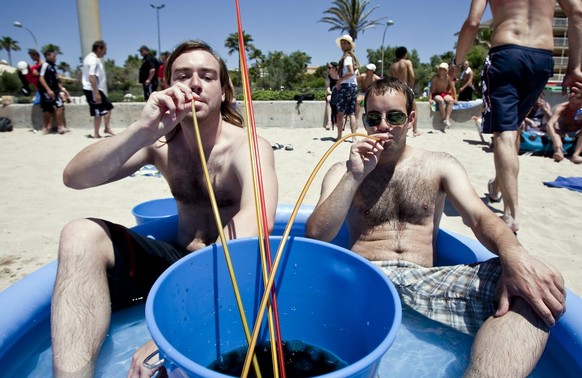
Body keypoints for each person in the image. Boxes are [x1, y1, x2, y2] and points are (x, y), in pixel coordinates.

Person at [305, 77, 566, 377]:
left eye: (395, 116)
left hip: (424, 281)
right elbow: (317, 236)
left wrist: (515, 255)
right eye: (374, 118)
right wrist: (355, 176)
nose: (383, 125)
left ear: (411, 118)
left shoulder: (439, 164)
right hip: (368, 279)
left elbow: (479, 217)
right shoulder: (343, 170)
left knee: (539, 284)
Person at [50, 40, 279, 377]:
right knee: (79, 233)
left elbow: (258, 217)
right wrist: (141, 131)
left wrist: (170, 330)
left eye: (208, 75)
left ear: (225, 90)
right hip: (173, 261)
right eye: (183, 75)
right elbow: (75, 178)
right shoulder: (159, 145)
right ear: (169, 87)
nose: (195, 83)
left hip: (232, 273)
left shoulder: (248, 146)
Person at [453, 0, 582, 233]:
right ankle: (496, 185)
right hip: (542, 59)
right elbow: (578, 12)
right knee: (513, 126)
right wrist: (575, 66)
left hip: (506, 54)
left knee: (504, 132)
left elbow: (472, 23)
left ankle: (511, 214)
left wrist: (457, 63)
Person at [82, 40, 115, 138]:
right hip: (92, 89)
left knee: (108, 107)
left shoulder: (90, 58)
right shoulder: (93, 60)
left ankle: (107, 128)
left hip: (95, 89)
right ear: (99, 48)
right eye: (104, 50)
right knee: (97, 111)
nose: (105, 53)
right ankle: (96, 133)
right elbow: (91, 76)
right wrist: (96, 93)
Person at [389, 46, 421, 136]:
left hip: (395, 88)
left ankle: (400, 130)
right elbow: (412, 75)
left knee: (398, 110)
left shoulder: (392, 66)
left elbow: (391, 79)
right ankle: (415, 131)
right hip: (405, 87)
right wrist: (412, 85)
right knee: (414, 108)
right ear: (405, 54)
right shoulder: (407, 62)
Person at [335, 34, 360, 143]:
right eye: (342, 43)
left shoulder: (347, 57)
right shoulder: (352, 56)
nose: (343, 45)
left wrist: (340, 80)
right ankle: (353, 137)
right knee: (352, 112)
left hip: (346, 86)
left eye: (345, 43)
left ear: (350, 45)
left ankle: (339, 136)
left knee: (340, 112)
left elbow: (350, 72)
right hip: (353, 86)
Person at [38, 50, 69, 135]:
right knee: (48, 111)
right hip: (47, 92)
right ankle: (45, 128)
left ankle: (60, 126)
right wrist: (48, 90)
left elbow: (56, 80)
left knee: (59, 106)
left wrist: (62, 89)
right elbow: (41, 78)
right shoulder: (45, 66)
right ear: (47, 56)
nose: (55, 58)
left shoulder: (53, 67)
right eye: (53, 56)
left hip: (55, 91)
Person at [546, 92, 582, 163]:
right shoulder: (561, 108)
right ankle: (558, 151)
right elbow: (549, 124)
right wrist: (555, 139)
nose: (575, 106)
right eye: (573, 103)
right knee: (554, 130)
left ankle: (575, 155)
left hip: (577, 133)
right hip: (562, 132)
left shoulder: (581, 110)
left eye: (579, 104)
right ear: (569, 101)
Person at [429, 62, 456, 128]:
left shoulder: (448, 78)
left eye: (443, 70)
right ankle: (444, 117)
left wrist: (455, 98)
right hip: (436, 94)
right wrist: (430, 98)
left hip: (444, 93)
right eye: (440, 69)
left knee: (451, 101)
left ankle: (447, 119)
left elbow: (453, 88)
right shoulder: (435, 77)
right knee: (440, 100)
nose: (441, 71)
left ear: (446, 71)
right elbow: (431, 88)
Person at [355, 63, 380, 131]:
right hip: (363, 93)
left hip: (372, 93)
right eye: (367, 69)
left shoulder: (376, 78)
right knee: (358, 100)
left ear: (372, 71)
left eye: (368, 69)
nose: (366, 70)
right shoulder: (363, 76)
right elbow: (354, 81)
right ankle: (356, 120)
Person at [324, 62, 339, 130]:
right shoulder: (328, 77)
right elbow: (328, 88)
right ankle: (329, 121)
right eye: (328, 67)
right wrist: (332, 93)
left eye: (329, 67)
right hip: (331, 93)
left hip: (340, 93)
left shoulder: (340, 76)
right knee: (329, 99)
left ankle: (340, 122)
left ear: (334, 68)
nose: (328, 69)